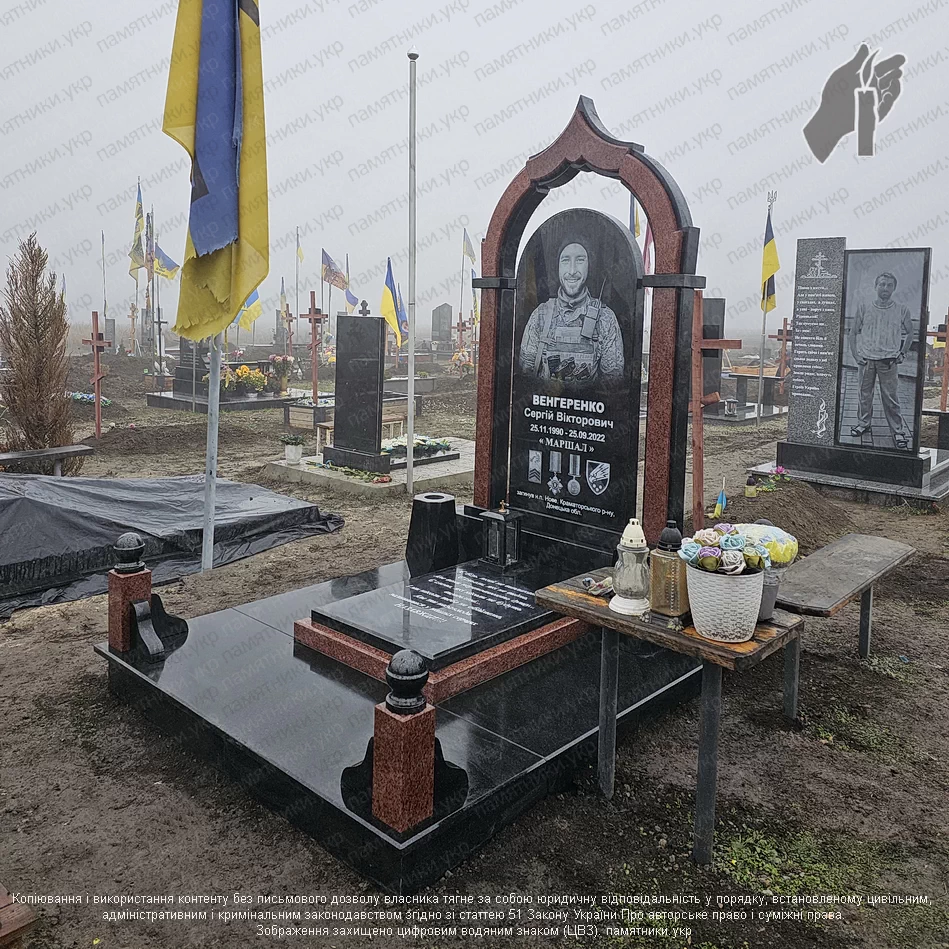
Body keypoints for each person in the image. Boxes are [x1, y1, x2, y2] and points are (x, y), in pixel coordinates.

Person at [518, 241, 623, 385]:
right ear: (558, 267)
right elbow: (526, 376)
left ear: (589, 266)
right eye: (565, 260)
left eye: (580, 260)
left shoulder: (605, 318)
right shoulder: (540, 315)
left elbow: (613, 382)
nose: (572, 271)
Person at [849, 271, 913, 448]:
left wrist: (902, 353)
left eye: (889, 285)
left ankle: (898, 431)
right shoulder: (864, 307)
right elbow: (852, 333)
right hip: (866, 360)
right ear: (876, 286)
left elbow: (910, 332)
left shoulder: (901, 310)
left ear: (894, 288)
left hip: (889, 362)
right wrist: (856, 355)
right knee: (864, 395)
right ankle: (863, 424)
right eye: (882, 284)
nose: (885, 288)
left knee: (890, 398)